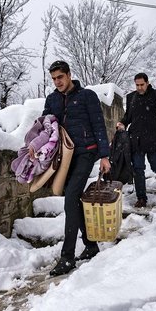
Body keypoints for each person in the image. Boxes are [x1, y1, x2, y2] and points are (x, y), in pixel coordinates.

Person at [38, 60, 111, 276]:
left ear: (69, 75)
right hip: (65, 155)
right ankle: (90, 245)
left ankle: (67, 257)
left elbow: (99, 124)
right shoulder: (52, 99)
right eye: (53, 79)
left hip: (86, 152)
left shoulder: (87, 96)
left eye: (60, 77)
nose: (57, 82)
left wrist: (105, 156)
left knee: (70, 198)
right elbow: (45, 125)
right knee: (74, 199)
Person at [117, 73, 156, 208]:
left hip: (154, 138)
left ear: (147, 83)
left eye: (142, 85)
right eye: (137, 85)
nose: (139, 87)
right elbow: (128, 116)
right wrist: (122, 123)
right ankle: (141, 198)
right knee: (138, 169)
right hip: (136, 139)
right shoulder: (131, 97)